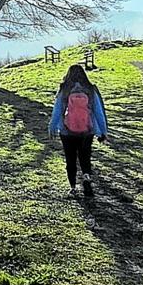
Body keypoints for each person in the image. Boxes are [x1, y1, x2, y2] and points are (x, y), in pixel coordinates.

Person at [48, 64, 109, 197]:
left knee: (70, 159)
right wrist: (103, 131)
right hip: (87, 131)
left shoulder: (64, 89)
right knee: (85, 156)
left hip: (66, 132)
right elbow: (98, 112)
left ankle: (73, 187)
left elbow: (57, 110)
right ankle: (86, 177)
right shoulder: (90, 89)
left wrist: (52, 127)